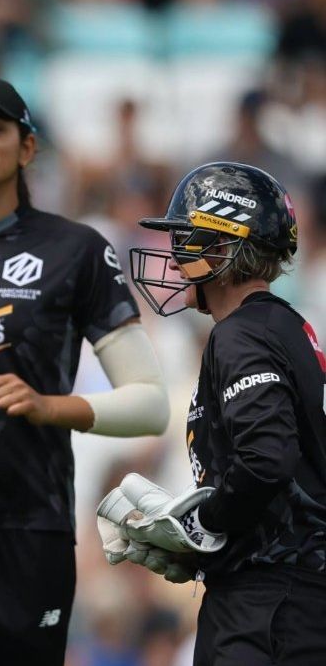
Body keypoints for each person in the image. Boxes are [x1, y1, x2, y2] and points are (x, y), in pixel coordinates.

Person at [0, 73, 170, 664]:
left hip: (28, 532)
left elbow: (150, 402)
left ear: (27, 147)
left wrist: (52, 407)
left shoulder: (74, 249)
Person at [115, 161, 326, 665]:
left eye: (186, 238)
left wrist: (201, 525)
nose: (174, 254)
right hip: (298, 592)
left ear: (222, 246)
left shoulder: (241, 334)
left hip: (268, 600)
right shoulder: (286, 327)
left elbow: (267, 458)